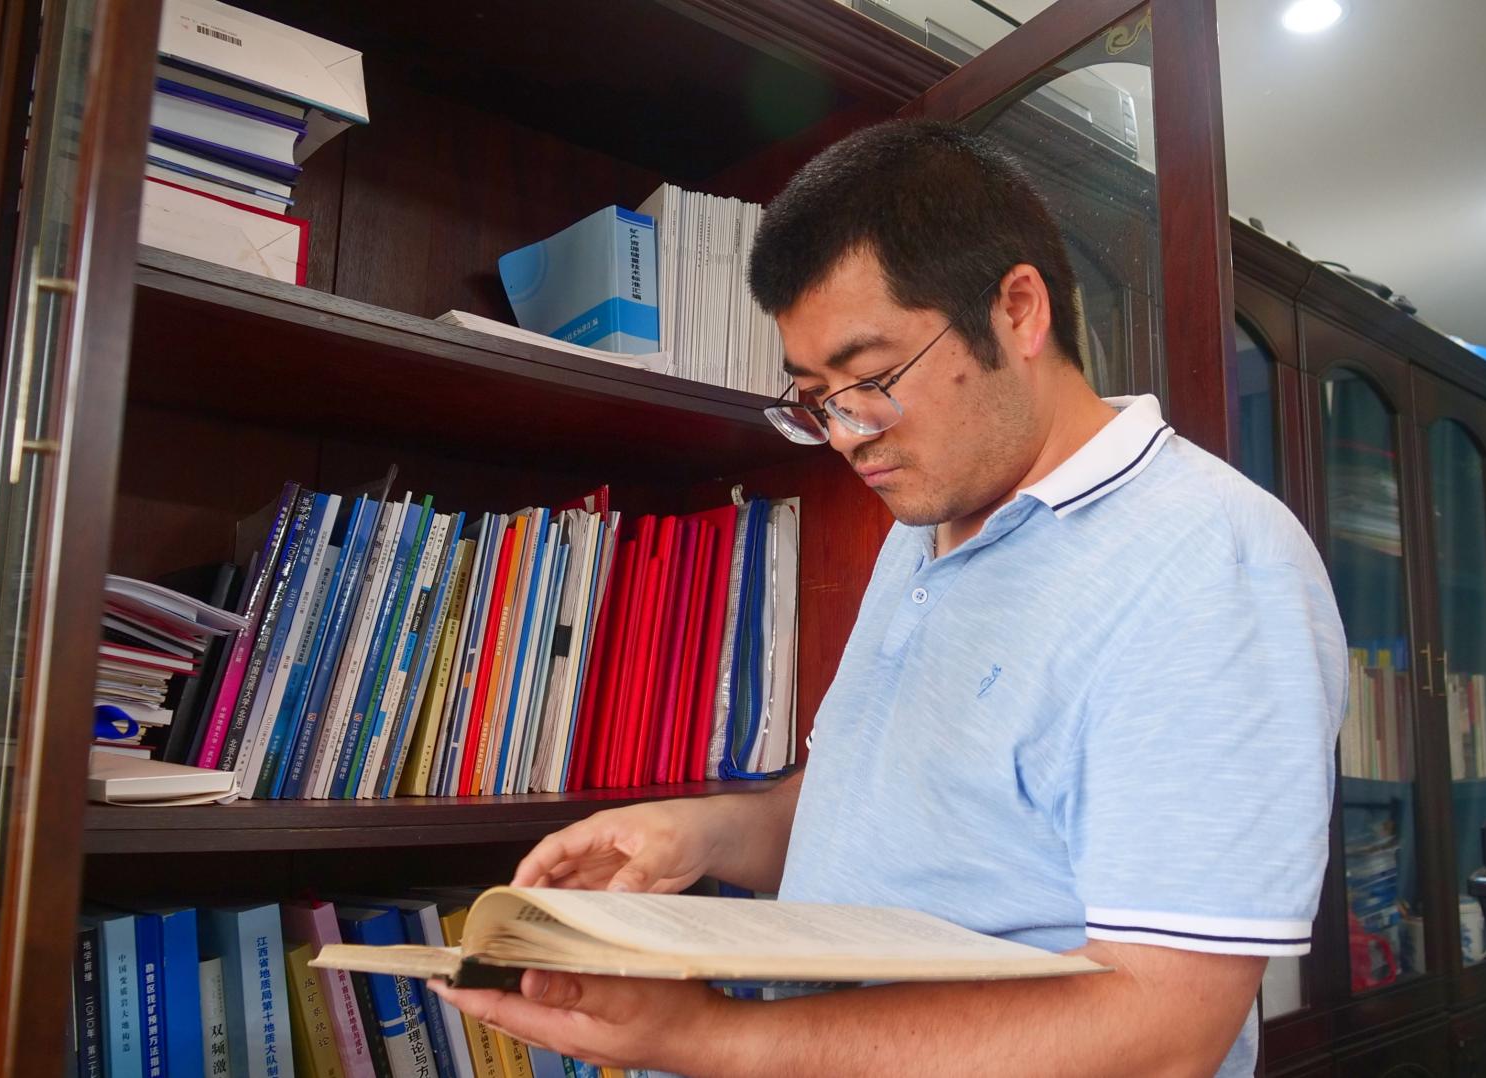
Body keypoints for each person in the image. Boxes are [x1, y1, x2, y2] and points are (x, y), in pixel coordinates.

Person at [433, 120, 1345, 1077]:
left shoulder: (1209, 562)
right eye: (815, 398)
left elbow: (1163, 1034)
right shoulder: (927, 523)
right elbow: (880, 821)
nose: (846, 434)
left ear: (1018, 311)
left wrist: (713, 1037)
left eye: (871, 380)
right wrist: (704, 833)